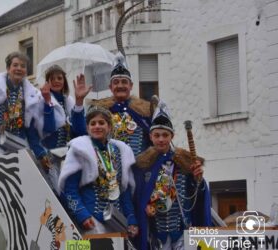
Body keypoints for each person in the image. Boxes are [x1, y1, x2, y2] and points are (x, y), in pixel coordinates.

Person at [132, 102, 212, 250]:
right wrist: (145, 207)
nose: (161, 139)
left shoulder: (184, 163)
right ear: (150, 136)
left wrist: (198, 180)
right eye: (157, 135)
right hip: (157, 235)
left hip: (182, 232)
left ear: (172, 136)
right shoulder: (144, 166)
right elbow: (138, 198)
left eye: (165, 135)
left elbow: (197, 195)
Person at [58, 106, 138, 237]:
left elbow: (124, 190)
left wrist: (131, 219)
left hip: (116, 221)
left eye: (101, 123)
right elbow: (70, 190)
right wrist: (82, 215)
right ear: (88, 128)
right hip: (91, 220)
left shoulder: (120, 151)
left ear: (109, 127)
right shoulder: (80, 150)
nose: (97, 126)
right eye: (92, 123)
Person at [30, 65, 90, 191]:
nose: (57, 81)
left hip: (69, 157)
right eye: (53, 78)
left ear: (64, 81)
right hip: (50, 157)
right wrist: (48, 103)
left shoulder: (69, 101)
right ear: (48, 82)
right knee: (57, 194)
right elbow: (49, 128)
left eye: (60, 78)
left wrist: (79, 102)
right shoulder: (40, 100)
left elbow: (80, 132)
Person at [91, 54, 152, 156]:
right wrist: (79, 103)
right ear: (110, 87)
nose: (120, 86)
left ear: (131, 86)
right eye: (116, 82)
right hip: (109, 167)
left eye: (124, 82)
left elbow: (156, 139)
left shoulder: (145, 111)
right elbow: (84, 132)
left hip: (139, 168)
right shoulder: (99, 110)